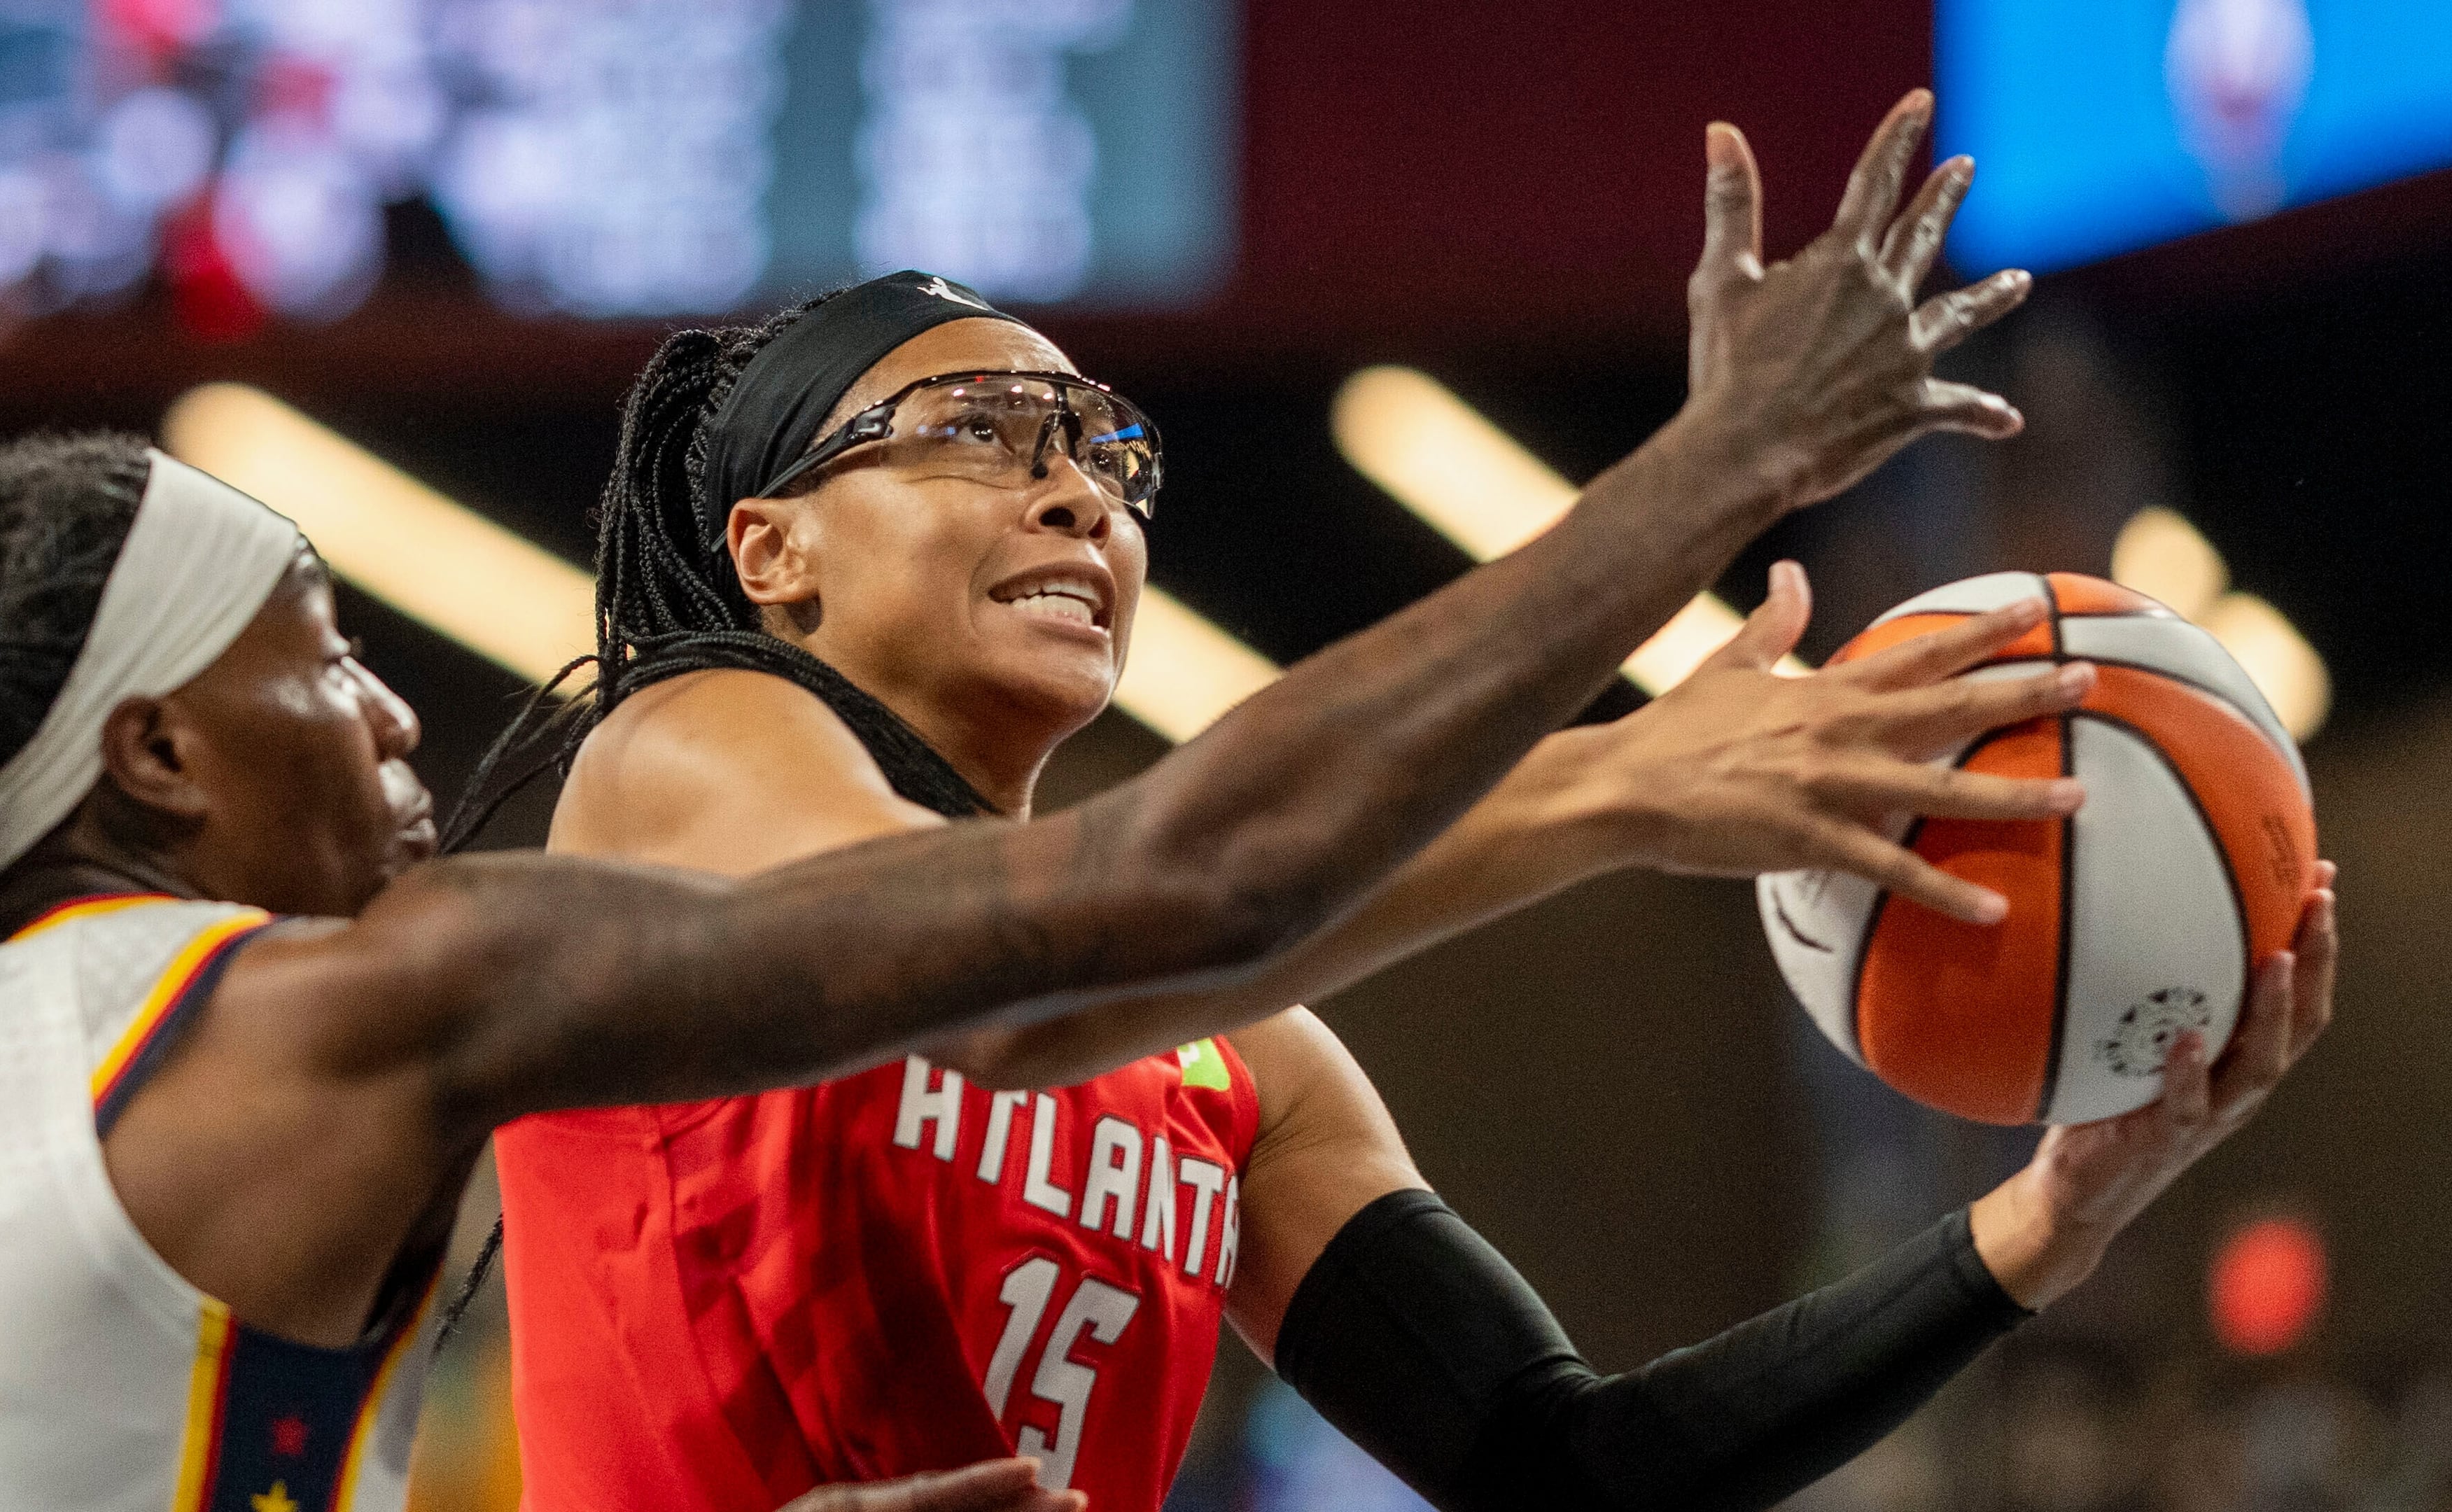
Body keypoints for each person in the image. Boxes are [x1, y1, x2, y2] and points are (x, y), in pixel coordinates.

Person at [486, 92, 2338, 1511]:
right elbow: (1028, 976)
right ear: (773, 548)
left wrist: (2047, 1224)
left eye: (1105, 454)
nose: (1081, 501)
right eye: (980, 429)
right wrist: (1686, 561)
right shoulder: (686, 760)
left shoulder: (1239, 1063)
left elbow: (1564, 1469)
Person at [0, 399, 1956, 1512]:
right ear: (153, 754)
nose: (399, 712)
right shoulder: (345, 999)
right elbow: (1131, 914)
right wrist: (1689, 524)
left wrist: (2041, 1215)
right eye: (325, 665)